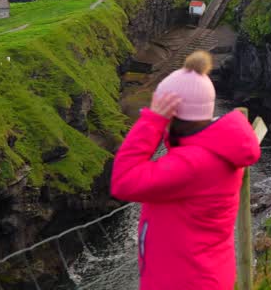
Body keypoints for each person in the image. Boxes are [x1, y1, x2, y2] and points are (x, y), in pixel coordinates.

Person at [111, 50, 261, 289]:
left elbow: (123, 180)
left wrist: (151, 121)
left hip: (186, 281)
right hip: (205, 274)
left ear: (174, 114)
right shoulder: (216, 149)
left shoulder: (192, 164)